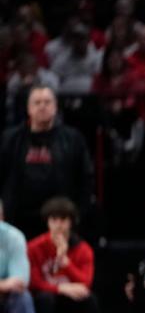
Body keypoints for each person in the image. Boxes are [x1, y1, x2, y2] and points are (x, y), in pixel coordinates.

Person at [0, 85, 95, 238]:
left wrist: (77, 215)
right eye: (37, 103)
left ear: (55, 107)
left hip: (59, 220)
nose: (42, 106)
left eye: (47, 102)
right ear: (28, 108)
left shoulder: (73, 139)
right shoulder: (9, 139)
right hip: (17, 220)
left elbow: (86, 180)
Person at [27, 197, 106, 313]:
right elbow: (33, 283)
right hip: (47, 302)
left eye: (63, 220)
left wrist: (66, 263)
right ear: (47, 222)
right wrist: (60, 288)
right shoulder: (34, 247)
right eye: (53, 220)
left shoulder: (83, 249)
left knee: (91, 299)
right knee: (45, 298)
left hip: (72, 306)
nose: (58, 225)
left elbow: (86, 283)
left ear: (71, 222)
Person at [0, 200, 45, 313]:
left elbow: (20, 281)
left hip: (7, 299)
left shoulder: (14, 237)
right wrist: (4, 283)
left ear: (2, 217)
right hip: (4, 289)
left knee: (23, 297)